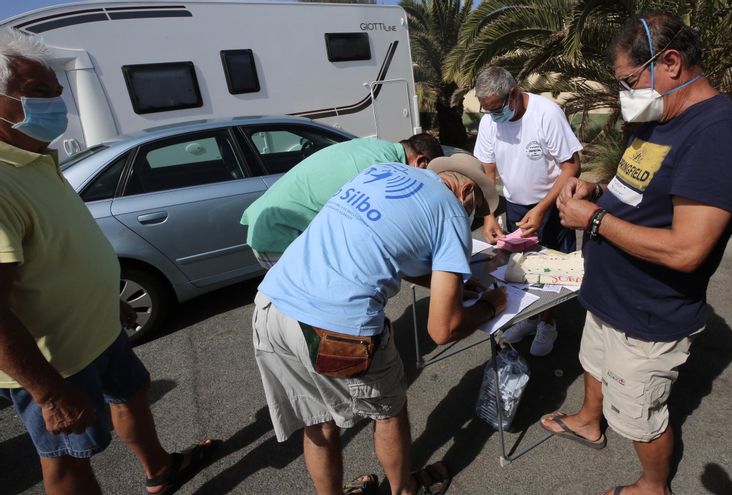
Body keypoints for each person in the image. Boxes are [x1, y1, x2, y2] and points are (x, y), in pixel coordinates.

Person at [548, 14, 732, 495]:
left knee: (640, 416)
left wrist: (594, 220)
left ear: (671, 62)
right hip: (609, 293)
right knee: (595, 362)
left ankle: (652, 485)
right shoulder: (658, 116)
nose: (625, 93)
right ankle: (588, 420)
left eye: (629, 80)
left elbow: (687, 251)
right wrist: (595, 190)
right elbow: (636, 185)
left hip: (646, 312)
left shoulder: (719, 134)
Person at [0, 28, 218, 495]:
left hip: (100, 330)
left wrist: (106, 299)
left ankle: (161, 471)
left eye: (56, 91)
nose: (55, 104)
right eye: (37, 92)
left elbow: (57, 252)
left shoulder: (34, 158)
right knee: (67, 459)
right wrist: (47, 393)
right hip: (56, 363)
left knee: (132, 396)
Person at [251, 153, 506, 495]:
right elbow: (442, 329)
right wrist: (489, 306)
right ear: (466, 192)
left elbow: (391, 249)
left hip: (272, 304)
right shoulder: (452, 212)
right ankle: (404, 490)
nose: (472, 217)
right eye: (477, 209)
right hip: (336, 329)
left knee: (319, 423)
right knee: (388, 412)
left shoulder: (382, 172)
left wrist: (445, 283)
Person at [473, 66, 584, 356]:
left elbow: (572, 166)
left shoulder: (546, 114)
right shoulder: (489, 122)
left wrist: (542, 209)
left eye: (496, 109)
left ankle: (548, 322)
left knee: (552, 269)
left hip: (552, 204)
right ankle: (530, 318)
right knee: (520, 266)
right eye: (487, 110)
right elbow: (487, 171)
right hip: (515, 205)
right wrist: (488, 214)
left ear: (513, 93)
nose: (493, 116)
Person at [241, 133, 444, 268]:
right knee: (324, 299)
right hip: (279, 233)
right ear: (420, 162)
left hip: (270, 220)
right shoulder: (384, 167)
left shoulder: (377, 148)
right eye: (427, 176)